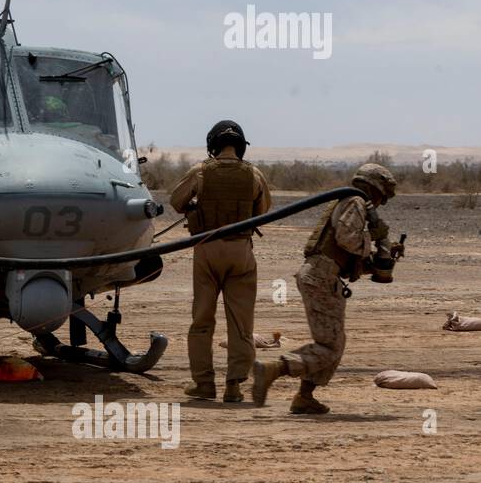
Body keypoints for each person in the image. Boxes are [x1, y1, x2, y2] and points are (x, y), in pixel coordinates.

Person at [253, 163, 401, 414]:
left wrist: (383, 257)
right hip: (321, 277)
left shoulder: (351, 202)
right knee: (330, 346)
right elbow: (347, 238)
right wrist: (375, 239)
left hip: (323, 276)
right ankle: (274, 369)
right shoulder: (355, 201)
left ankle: (304, 397)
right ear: (373, 188)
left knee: (334, 342)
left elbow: (345, 254)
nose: (379, 204)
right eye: (380, 197)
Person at [169, 120, 271, 403]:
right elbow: (263, 211)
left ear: (213, 144)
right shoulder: (254, 174)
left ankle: (203, 384)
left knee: (202, 319)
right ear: (240, 146)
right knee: (241, 323)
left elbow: (176, 201)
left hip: (206, 250)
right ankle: (234, 386)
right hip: (241, 252)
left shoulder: (200, 171)